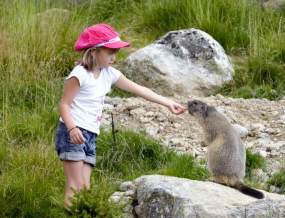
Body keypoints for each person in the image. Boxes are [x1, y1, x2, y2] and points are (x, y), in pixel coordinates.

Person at [55, 23, 186, 206]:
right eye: (110, 52)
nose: (114, 57)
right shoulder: (79, 74)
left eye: (115, 53)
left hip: (90, 134)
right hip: (72, 133)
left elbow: (138, 89)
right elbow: (64, 104)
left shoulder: (109, 74)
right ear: (94, 51)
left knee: (85, 187)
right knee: (75, 186)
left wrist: (167, 102)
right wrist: (72, 128)